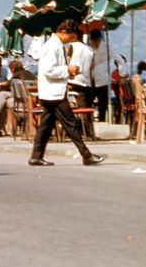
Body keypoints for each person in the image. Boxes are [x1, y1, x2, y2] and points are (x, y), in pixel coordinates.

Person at [28, 20, 105, 167]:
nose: (71, 41)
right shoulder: (52, 46)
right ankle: (86, 155)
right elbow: (48, 70)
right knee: (71, 124)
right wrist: (68, 70)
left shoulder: (56, 45)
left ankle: (36, 156)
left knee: (46, 126)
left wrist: (68, 72)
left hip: (52, 92)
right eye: (71, 37)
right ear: (64, 32)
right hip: (54, 93)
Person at [0, 59, 35, 136]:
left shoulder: (17, 74)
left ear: (12, 69)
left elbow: (8, 84)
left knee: (2, 94)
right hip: (30, 99)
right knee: (5, 101)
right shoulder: (30, 74)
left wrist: (0, 84)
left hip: (22, 101)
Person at [68, 36, 96, 109]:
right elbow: (92, 66)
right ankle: (86, 120)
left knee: (73, 107)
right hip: (86, 82)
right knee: (85, 107)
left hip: (73, 81)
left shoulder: (72, 46)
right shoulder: (90, 49)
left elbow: (67, 62)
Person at [89, 29, 111, 121]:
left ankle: (102, 119)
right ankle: (90, 120)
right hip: (92, 80)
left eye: (97, 40)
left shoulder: (105, 49)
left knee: (103, 104)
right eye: (94, 40)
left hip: (102, 79)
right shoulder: (89, 49)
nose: (96, 42)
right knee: (90, 101)